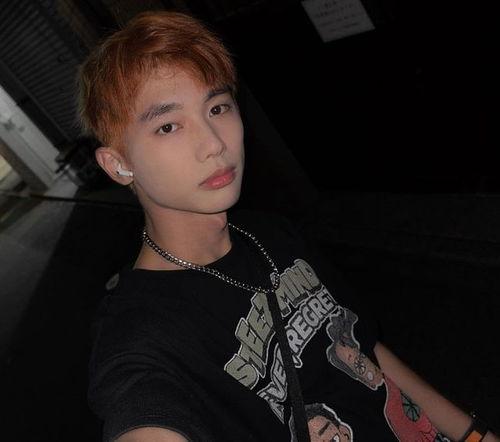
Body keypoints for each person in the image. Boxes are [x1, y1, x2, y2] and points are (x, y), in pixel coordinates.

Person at [78, 10, 499, 442]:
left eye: (218, 108)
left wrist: (473, 434)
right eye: (168, 126)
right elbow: (141, 404)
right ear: (118, 164)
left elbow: (367, 349)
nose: (214, 143)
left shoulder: (271, 235)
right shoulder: (143, 332)